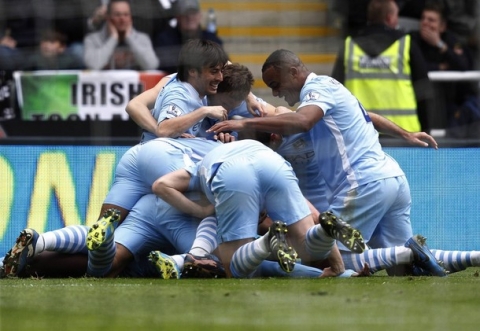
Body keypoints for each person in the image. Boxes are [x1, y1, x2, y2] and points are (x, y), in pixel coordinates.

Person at [207, 49, 431, 276]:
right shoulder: (328, 91)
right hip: (390, 176)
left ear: (293, 72)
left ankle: (410, 253)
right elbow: (366, 114)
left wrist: (244, 125)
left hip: (362, 183)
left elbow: (303, 121)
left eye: (276, 84)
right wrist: (406, 134)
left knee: (330, 258)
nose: (276, 92)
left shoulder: (315, 93)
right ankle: (431, 258)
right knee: (404, 270)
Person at [153, 139, 367, 278]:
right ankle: (327, 230)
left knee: (235, 270)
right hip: (273, 163)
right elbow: (313, 215)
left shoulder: (199, 165)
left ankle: (268, 240)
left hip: (230, 171)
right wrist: (338, 268)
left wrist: (199, 211)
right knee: (307, 240)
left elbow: (161, 185)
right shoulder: (252, 146)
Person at [331, 0, 432, 133]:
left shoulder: (349, 46)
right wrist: (426, 131)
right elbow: (423, 91)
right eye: (396, 16)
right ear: (389, 18)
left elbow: (334, 91)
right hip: (403, 133)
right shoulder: (406, 44)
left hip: (360, 134)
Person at [410, 1, 479, 138]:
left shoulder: (450, 40)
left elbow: (464, 66)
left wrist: (439, 45)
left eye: (431, 20)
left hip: (450, 103)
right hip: (420, 102)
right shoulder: (412, 39)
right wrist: (440, 67)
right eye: (423, 19)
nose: (426, 23)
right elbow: (415, 67)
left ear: (442, 27)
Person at [83, 0, 159, 70]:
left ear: (131, 17)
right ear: (108, 17)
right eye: (117, 15)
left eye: (126, 14)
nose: (122, 19)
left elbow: (152, 65)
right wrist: (113, 39)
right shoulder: (92, 39)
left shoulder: (142, 39)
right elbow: (92, 66)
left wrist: (130, 38)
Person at [153, 0, 224, 74]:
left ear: (199, 15)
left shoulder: (212, 39)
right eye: (185, 13)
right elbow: (163, 66)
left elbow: (223, 65)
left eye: (193, 13)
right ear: (178, 16)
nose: (190, 17)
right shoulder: (164, 40)